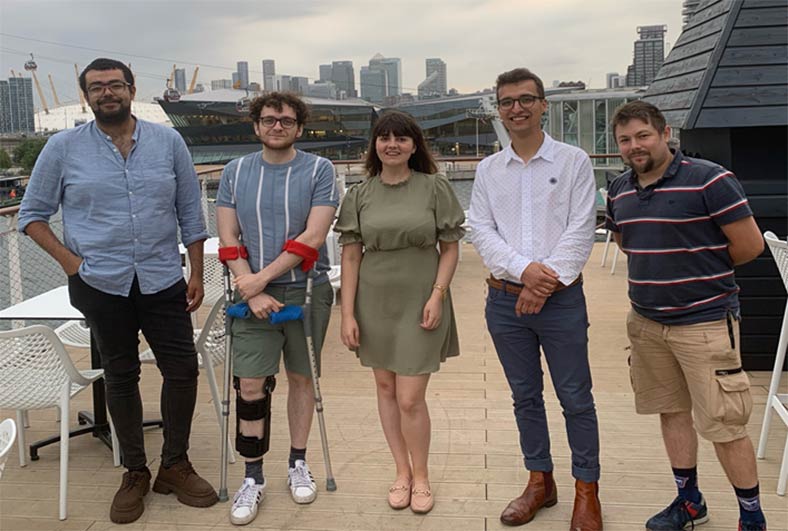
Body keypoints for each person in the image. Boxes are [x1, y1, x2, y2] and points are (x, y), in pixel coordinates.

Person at [18, 57, 217, 524]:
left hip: (162, 278)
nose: (107, 93)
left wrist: (195, 273)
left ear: (131, 89)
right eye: (96, 87)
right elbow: (31, 215)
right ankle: (134, 471)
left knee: (182, 368)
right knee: (120, 376)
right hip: (99, 282)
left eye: (115, 85)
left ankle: (175, 464)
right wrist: (72, 264)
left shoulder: (168, 142)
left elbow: (191, 212)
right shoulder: (62, 148)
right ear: (86, 95)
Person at [606, 101, 767, 531]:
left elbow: (750, 246)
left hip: (706, 323)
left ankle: (751, 516)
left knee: (725, 422)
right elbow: (627, 243)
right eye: (625, 139)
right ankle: (689, 501)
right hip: (646, 324)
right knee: (671, 412)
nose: (634, 146)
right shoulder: (619, 188)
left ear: (664, 134)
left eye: (643, 135)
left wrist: (698, 273)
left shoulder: (711, 179)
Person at [468, 68, 602, 530]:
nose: (517, 108)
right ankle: (540, 481)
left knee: (575, 397)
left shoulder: (573, 161)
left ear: (544, 104)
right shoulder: (488, 170)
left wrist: (542, 283)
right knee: (525, 396)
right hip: (505, 303)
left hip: (562, 300)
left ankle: (587, 488)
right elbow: (480, 230)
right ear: (499, 110)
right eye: (507, 102)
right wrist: (524, 272)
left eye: (526, 99)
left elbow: (582, 227)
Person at [215, 92, 338, 526]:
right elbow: (227, 237)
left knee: (302, 379)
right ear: (256, 126)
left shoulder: (320, 170)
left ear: (299, 127)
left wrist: (259, 281)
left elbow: (313, 236)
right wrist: (250, 290)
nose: (277, 126)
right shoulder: (235, 171)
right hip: (251, 297)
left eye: (286, 120)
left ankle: (297, 462)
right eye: (269, 120)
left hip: (304, 292)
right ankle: (253, 476)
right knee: (250, 385)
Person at [334, 110, 464, 515]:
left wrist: (438, 294)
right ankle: (401, 472)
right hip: (374, 301)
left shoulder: (434, 187)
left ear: (414, 145)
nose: (392, 144)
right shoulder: (360, 194)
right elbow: (351, 257)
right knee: (386, 389)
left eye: (401, 138)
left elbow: (451, 247)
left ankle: (421, 475)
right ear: (374, 145)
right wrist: (348, 314)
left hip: (421, 297)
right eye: (384, 137)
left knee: (410, 397)